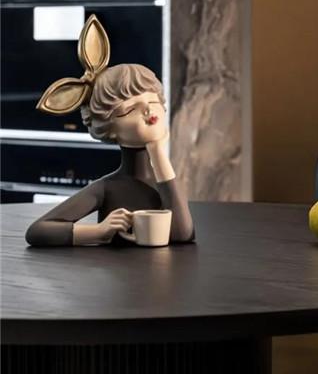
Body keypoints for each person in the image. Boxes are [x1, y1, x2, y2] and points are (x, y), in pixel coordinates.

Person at [25, 14, 194, 247]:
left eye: (153, 102)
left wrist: (158, 152)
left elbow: (182, 233)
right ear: (108, 128)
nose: (148, 110)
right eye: (130, 109)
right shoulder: (107, 188)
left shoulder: (166, 183)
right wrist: (97, 232)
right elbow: (37, 231)